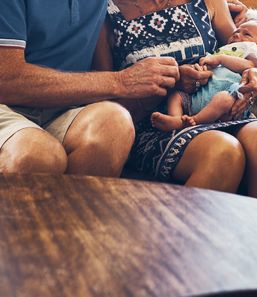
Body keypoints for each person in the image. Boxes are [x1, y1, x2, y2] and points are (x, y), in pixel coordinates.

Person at [94, 0, 257, 209]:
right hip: (157, 123)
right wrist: (172, 83)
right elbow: (106, 102)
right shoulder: (102, 12)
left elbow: (248, 51)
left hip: (223, 108)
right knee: (223, 151)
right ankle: (170, 240)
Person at [0, 1, 182, 177]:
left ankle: (76, 209)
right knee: (38, 155)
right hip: (5, 105)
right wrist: (120, 81)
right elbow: (6, 80)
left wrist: (178, 74)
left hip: (64, 107)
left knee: (114, 123)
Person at [151, 19, 257, 131]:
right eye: (236, 31)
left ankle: (194, 121)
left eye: (247, 34)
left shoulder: (252, 58)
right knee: (176, 96)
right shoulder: (225, 51)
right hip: (196, 98)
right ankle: (176, 120)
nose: (236, 34)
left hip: (226, 107)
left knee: (223, 99)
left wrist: (220, 59)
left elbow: (249, 66)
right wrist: (200, 69)